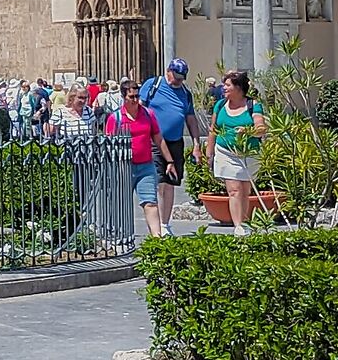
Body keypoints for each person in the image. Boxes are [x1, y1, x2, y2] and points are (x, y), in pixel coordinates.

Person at [139, 60, 201, 233]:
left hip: (175, 142)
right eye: (176, 76)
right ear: (168, 71)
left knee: (170, 183)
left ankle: (165, 224)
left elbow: (191, 119)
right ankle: (156, 225)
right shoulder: (153, 84)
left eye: (182, 78)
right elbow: (140, 108)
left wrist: (196, 144)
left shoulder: (185, 93)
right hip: (154, 141)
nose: (179, 80)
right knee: (159, 182)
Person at [105, 78, 170, 239]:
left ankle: (157, 238)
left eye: (137, 96)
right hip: (123, 167)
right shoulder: (115, 118)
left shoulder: (148, 114)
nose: (135, 100)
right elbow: (108, 144)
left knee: (150, 202)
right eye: (131, 97)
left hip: (145, 166)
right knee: (121, 203)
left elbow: (158, 138)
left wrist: (169, 160)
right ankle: (118, 237)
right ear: (123, 97)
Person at [211, 72, 268, 228]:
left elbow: (261, 128)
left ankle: (243, 222)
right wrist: (208, 153)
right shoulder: (220, 105)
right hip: (225, 151)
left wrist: (248, 132)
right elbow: (213, 129)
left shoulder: (253, 105)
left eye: (227, 85)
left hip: (248, 153)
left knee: (245, 190)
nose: (223, 88)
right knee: (234, 190)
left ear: (238, 88)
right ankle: (238, 227)